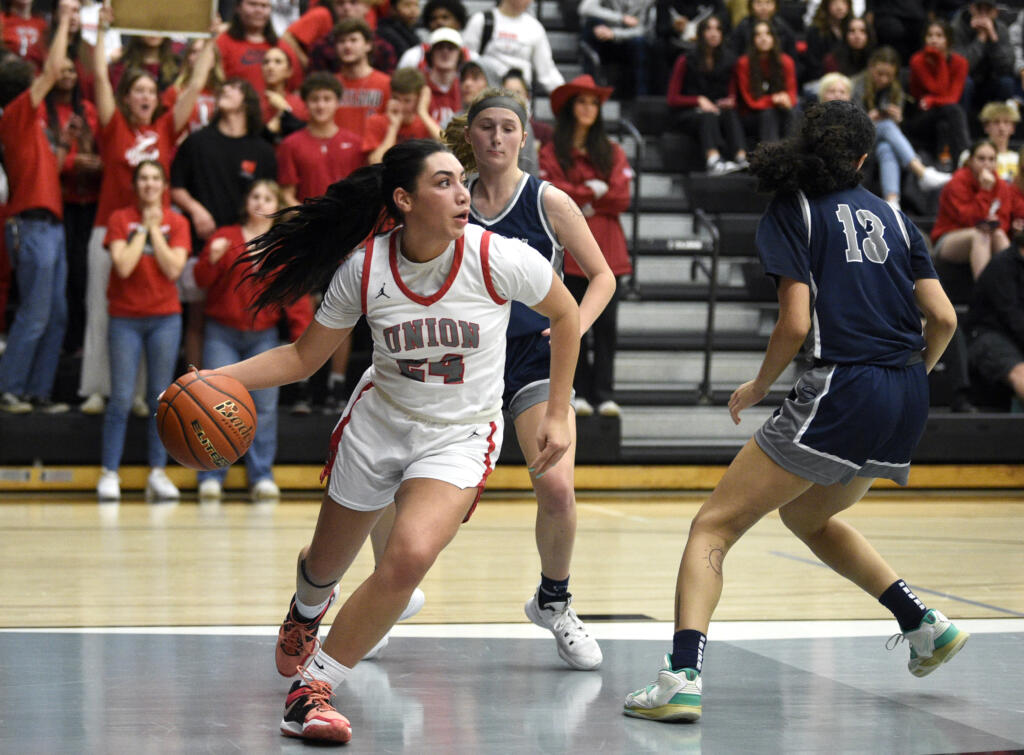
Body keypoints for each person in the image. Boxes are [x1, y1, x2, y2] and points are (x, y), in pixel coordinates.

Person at [209, 139, 580, 743]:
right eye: (443, 183)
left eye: (462, 181)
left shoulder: (498, 257)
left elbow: (565, 315)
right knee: (325, 565)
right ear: (404, 199)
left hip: (459, 434)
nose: (463, 193)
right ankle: (307, 609)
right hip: (379, 422)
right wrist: (216, 380)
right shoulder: (365, 267)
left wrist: (558, 412)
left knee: (408, 555)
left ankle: (312, 689)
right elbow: (304, 357)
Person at [623, 99, 968, 724]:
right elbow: (942, 318)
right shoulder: (893, 214)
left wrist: (759, 384)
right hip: (907, 393)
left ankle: (681, 676)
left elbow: (796, 321)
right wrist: (913, 376)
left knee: (712, 528)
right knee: (810, 518)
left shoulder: (795, 209)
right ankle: (923, 624)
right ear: (865, 158)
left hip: (846, 385)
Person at [429, 88, 615, 668]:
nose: (496, 137)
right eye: (486, 127)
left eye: (508, 127)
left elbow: (603, 276)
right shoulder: (447, 196)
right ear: (472, 133)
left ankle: (554, 602)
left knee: (556, 486)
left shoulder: (548, 201)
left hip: (533, 359)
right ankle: (394, 590)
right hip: (460, 359)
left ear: (524, 135)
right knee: (409, 480)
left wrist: (571, 328)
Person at [79, 8, 216, 415]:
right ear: (127, 98)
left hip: (158, 232)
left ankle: (135, 394)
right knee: (101, 311)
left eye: (149, 92)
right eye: (136, 91)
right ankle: (96, 390)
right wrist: (102, 29)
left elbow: (195, 83)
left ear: (157, 99)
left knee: (144, 311)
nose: (143, 97)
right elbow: (101, 77)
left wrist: (208, 40)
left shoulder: (165, 128)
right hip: (110, 227)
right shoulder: (113, 126)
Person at [193, 179, 312, 502]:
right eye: (256, 196)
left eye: (268, 197)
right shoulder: (224, 237)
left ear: (276, 206)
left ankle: (261, 476)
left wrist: (305, 339)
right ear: (247, 202)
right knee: (214, 405)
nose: (261, 201)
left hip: (264, 335)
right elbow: (200, 280)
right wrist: (211, 260)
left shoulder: (281, 246)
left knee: (264, 408)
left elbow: (293, 294)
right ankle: (211, 475)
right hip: (223, 332)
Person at [97, 160, 190, 502]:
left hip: (164, 318)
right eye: (144, 179)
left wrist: (154, 230)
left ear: (164, 184)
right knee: (121, 397)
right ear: (135, 185)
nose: (149, 184)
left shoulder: (177, 221)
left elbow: (173, 269)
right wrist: (142, 230)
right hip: (125, 318)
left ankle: (157, 472)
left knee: (160, 398)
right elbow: (123, 266)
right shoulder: (120, 219)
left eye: (155, 178)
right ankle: (109, 472)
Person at [539, 75, 632, 417]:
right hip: (570, 256)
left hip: (609, 254)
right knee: (570, 326)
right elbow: (553, 194)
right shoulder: (551, 151)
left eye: (594, 103)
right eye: (582, 101)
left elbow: (622, 197)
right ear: (569, 108)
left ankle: (604, 394)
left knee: (605, 331)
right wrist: (594, 192)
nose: (589, 109)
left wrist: (581, 198)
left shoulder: (613, 151)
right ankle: (575, 392)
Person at [170, 78, 278, 368]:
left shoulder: (262, 149)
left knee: (238, 309)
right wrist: (196, 210)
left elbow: (273, 195)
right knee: (197, 313)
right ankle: (194, 383)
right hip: (203, 239)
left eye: (232, 88)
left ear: (247, 101)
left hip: (247, 241)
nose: (223, 92)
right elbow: (176, 185)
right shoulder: (198, 141)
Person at [0, 0, 75, 414]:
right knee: (35, 313)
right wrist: (63, 20)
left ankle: (36, 392)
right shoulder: (13, 114)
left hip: (51, 224)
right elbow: (52, 70)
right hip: (31, 224)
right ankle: (9, 389)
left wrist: (62, 148)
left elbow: (52, 170)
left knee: (57, 316)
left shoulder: (33, 124)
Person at [277, 71, 365, 414]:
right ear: (306, 104)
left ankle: (335, 388)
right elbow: (286, 190)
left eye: (327, 99)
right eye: (314, 100)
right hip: (309, 242)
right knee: (303, 313)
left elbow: (360, 194)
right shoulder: (291, 144)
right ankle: (300, 385)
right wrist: (305, 225)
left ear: (336, 102)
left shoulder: (353, 143)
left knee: (341, 314)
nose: (320, 105)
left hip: (344, 243)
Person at [46, 54, 102, 356]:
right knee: (68, 273)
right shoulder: (45, 111)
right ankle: (69, 340)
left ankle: (81, 340)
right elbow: (43, 157)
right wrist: (72, 161)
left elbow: (106, 147)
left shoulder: (88, 110)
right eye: (62, 69)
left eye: (72, 69)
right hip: (62, 201)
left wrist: (96, 164)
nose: (68, 75)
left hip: (91, 201)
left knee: (85, 274)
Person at [847, 49, 952, 209]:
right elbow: (850, 122)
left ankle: (892, 201)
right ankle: (922, 173)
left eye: (889, 75)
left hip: (879, 142)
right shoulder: (856, 86)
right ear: (871, 68)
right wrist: (869, 118)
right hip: (858, 140)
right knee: (887, 126)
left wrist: (898, 119)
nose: (884, 79)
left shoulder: (896, 91)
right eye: (879, 73)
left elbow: (896, 131)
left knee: (886, 148)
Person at [931, 140, 1024, 281]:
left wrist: (996, 223)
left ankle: (1012, 291)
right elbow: (967, 219)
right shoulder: (957, 182)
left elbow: (1005, 222)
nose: (987, 163)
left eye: (991, 159)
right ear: (971, 161)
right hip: (949, 239)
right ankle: (984, 294)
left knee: (998, 234)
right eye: (981, 159)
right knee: (981, 235)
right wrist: (985, 191)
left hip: (987, 236)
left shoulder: (1001, 185)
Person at [666, 14, 746, 174]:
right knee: (707, 115)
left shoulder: (730, 60)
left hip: (716, 111)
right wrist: (698, 100)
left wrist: (729, 101)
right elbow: (672, 98)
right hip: (687, 113)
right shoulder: (685, 59)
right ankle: (713, 160)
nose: (714, 33)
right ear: (701, 33)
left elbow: (732, 94)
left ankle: (741, 157)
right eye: (708, 29)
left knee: (729, 113)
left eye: (718, 29)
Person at [967, 232, 1024, 409]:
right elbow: (1012, 317)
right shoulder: (1002, 265)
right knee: (1020, 373)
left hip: (1016, 335)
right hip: (989, 334)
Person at [905, 20, 970, 168]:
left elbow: (953, 98)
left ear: (949, 40)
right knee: (952, 111)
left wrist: (932, 100)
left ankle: (953, 165)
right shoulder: (918, 60)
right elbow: (938, 89)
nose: (934, 39)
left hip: (943, 112)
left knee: (946, 121)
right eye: (930, 35)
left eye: (939, 35)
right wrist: (940, 59)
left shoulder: (961, 63)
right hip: (920, 117)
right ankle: (965, 155)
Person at [462, 0, 565, 94]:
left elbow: (547, 71)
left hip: (518, 96)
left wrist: (563, 94)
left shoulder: (534, 27)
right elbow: (467, 57)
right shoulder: (481, 20)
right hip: (486, 94)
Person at [734, 20, 797, 147]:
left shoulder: (786, 61)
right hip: (751, 114)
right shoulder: (744, 63)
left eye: (768, 34)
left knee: (793, 113)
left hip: (778, 109)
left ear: (774, 38)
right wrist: (773, 100)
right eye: (758, 35)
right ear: (752, 40)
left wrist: (786, 99)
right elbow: (749, 101)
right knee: (768, 113)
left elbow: (792, 94)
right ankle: (770, 157)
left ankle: (794, 156)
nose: (763, 38)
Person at [951, 0, 1015, 123]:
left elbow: (1007, 66)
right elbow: (962, 66)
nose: (983, 14)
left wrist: (993, 38)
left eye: (988, 9)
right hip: (967, 81)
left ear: (995, 12)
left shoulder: (1000, 29)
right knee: (965, 83)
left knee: (1007, 83)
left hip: (989, 82)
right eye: (979, 8)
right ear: (971, 8)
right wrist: (980, 39)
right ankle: (962, 126)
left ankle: (998, 125)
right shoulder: (958, 26)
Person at [363, 67, 442, 164]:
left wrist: (422, 112)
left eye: (407, 100)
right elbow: (375, 162)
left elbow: (448, 146)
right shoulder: (375, 121)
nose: (401, 106)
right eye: (396, 98)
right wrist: (393, 127)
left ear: (419, 99)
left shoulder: (427, 124)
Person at [578, 0, 656, 97]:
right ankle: (589, 91)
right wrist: (621, 18)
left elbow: (643, 30)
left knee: (641, 43)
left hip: (629, 39)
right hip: (604, 37)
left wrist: (614, 34)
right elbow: (585, 8)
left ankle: (641, 98)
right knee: (591, 24)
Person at [332, 18, 392, 140]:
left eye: (353, 40)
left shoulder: (386, 84)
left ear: (368, 45)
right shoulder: (330, 85)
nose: (347, 46)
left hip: (374, 154)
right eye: (341, 41)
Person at [258, 45, 308, 145]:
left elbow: (306, 138)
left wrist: (285, 109)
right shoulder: (253, 103)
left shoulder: (301, 103)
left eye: (278, 62)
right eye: (266, 62)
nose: (270, 67)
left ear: (289, 71)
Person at [959, 101, 1020, 182]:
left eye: (1006, 122)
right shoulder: (969, 156)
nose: (1001, 128)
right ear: (986, 127)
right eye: (996, 122)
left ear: (1013, 128)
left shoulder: (1018, 159)